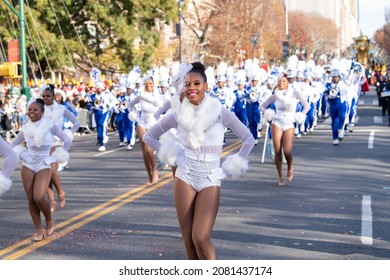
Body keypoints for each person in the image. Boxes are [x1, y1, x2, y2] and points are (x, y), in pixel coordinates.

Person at [143, 62, 256, 260]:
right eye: (187, 84)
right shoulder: (178, 114)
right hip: (185, 174)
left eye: (197, 83)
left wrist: (228, 169)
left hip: (210, 177)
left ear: (206, 86)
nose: (191, 87)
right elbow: (149, 137)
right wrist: (173, 155)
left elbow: (248, 139)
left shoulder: (220, 112)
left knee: (201, 238)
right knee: (188, 240)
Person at [10, 98, 72, 241]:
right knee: (31, 199)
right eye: (29, 110)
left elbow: (66, 139)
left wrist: (59, 154)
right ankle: (39, 229)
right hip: (28, 162)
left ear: (42, 112)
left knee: (39, 196)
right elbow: (13, 143)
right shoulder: (25, 127)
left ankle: (49, 219)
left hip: (44, 162)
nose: (31, 112)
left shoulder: (50, 126)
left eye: (35, 110)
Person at [260, 75, 310, 187]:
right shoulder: (275, 95)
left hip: (289, 122)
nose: (281, 83)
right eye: (279, 81)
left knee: (287, 151)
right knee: (277, 150)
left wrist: (300, 115)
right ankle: (279, 175)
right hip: (277, 122)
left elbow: (307, 105)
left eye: (283, 81)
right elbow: (262, 106)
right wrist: (270, 114)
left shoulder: (294, 93)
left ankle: (290, 167)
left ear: (287, 83)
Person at [40, 85, 80, 212]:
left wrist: (68, 134)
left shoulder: (61, 108)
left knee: (50, 171)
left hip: (57, 142)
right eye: (44, 96)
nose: (46, 98)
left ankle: (60, 192)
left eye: (49, 96)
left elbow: (76, 122)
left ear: (54, 96)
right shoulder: (39, 108)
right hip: (43, 144)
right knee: (44, 173)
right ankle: (51, 201)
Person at [128, 75, 164, 184]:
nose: (148, 86)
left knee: (149, 149)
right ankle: (149, 175)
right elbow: (130, 105)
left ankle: (155, 170)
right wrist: (133, 114)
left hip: (153, 123)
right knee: (144, 151)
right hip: (142, 122)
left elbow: (163, 108)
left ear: (154, 84)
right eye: (146, 84)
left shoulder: (157, 97)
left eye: (150, 83)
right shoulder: (141, 96)